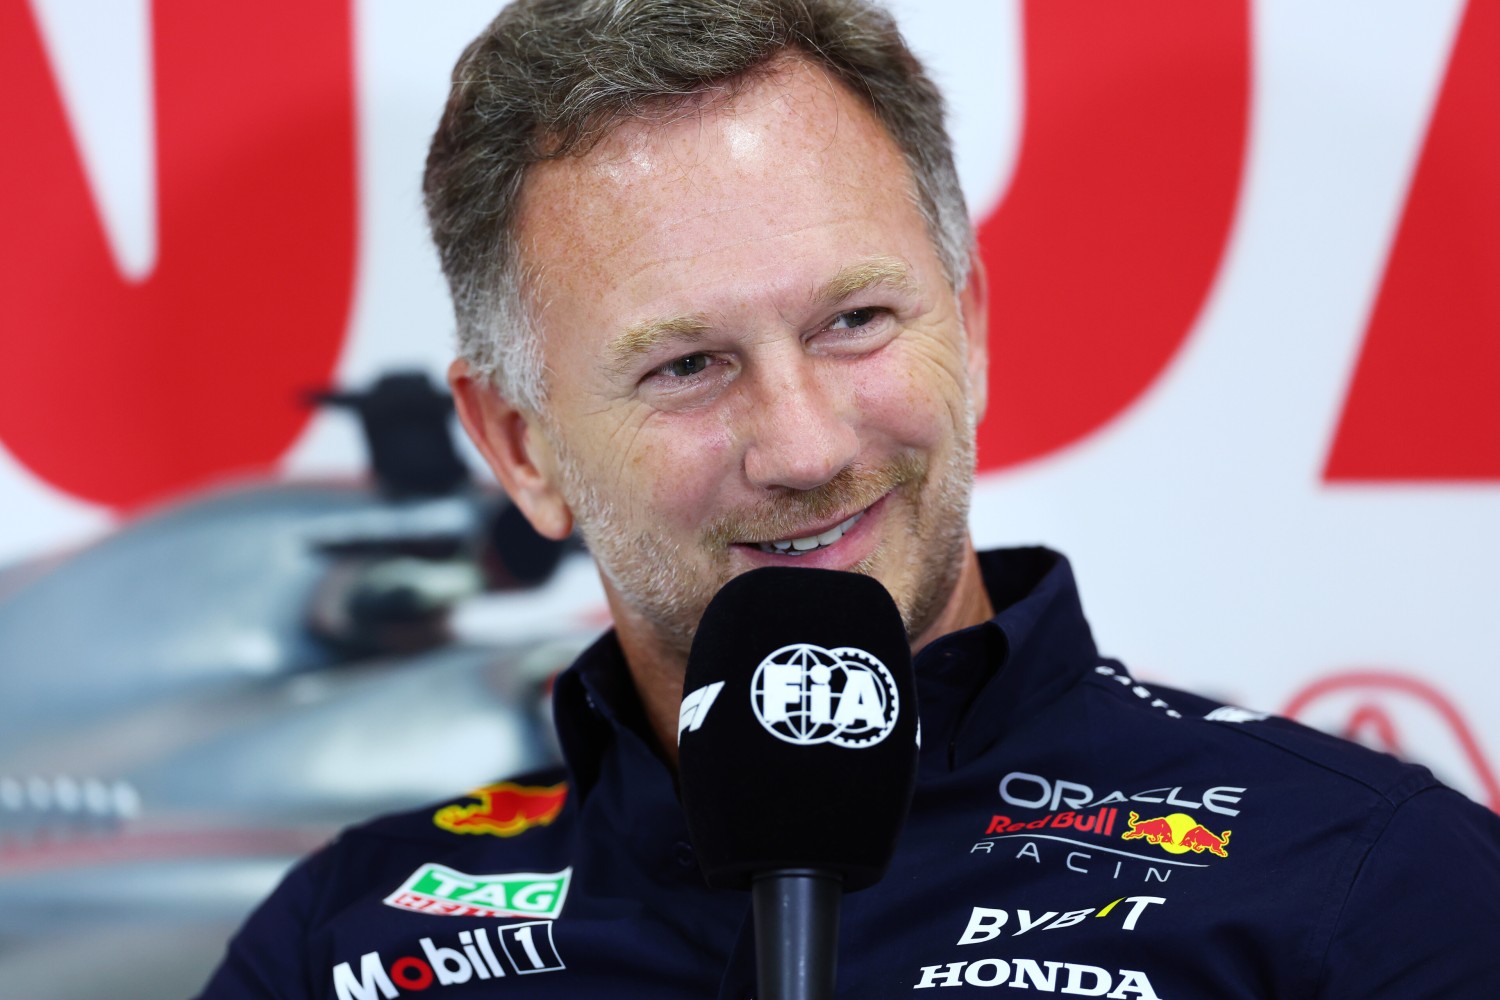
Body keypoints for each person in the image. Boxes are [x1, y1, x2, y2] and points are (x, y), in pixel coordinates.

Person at [199, 1, 1500, 996]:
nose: (805, 445)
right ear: (520, 447)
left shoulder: (1368, 887)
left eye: (856, 320)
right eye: (687, 364)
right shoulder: (339, 946)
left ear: (971, 329)